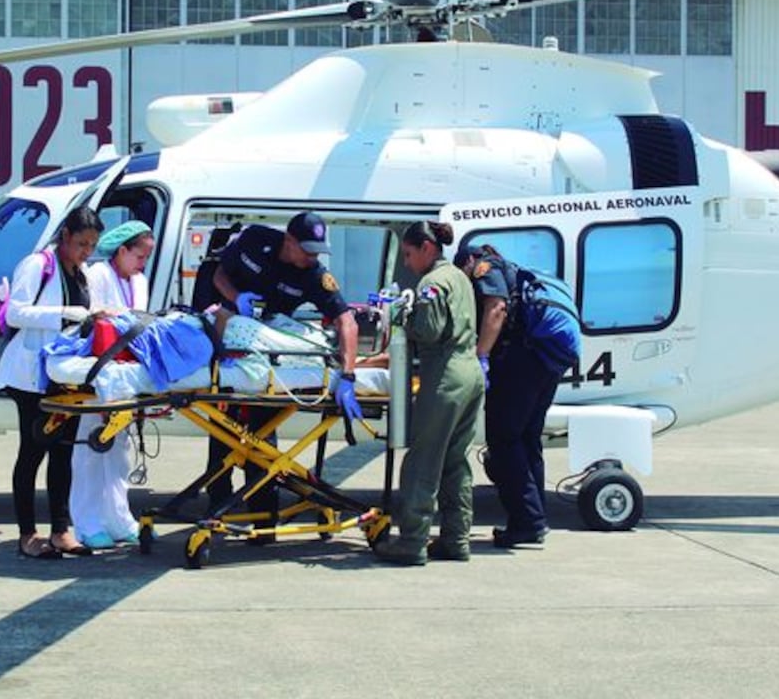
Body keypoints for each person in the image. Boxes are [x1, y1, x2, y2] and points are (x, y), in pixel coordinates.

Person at [197, 211, 362, 537]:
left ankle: (264, 517)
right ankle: (217, 507)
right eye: (308, 250)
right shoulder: (255, 240)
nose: (313, 257)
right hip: (227, 335)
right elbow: (219, 275)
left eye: (318, 251)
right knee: (222, 433)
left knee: (262, 437)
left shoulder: (315, 275)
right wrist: (236, 297)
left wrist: (348, 375)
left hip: (267, 354)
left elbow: (347, 321)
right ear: (289, 241)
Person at [0, 206, 105, 559]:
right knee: (33, 451)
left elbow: (82, 315)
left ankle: (61, 531)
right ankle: (27, 535)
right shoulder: (37, 265)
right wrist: (62, 314)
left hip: (65, 376)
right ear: (66, 236)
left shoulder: (81, 272)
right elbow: (16, 312)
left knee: (63, 452)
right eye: (82, 243)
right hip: (32, 377)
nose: (87, 251)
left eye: (92, 245)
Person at [374, 222, 485, 566]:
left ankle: (412, 542)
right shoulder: (460, 277)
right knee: (456, 461)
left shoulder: (432, 283)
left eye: (408, 254)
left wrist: (399, 317)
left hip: (445, 376)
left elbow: (429, 331)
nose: (407, 263)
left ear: (426, 247)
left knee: (423, 460)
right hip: (471, 373)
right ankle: (456, 539)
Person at [455, 243, 557, 548]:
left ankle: (528, 522)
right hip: (545, 362)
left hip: (519, 364)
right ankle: (534, 519)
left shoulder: (485, 268)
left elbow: (496, 308)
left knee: (504, 440)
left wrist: (481, 355)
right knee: (527, 439)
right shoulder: (514, 270)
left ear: (469, 261)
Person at [69, 220, 155, 548]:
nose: (142, 264)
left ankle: (120, 520)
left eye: (146, 258)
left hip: (127, 371)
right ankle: (87, 524)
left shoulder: (140, 281)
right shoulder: (97, 275)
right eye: (139, 256)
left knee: (120, 452)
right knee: (91, 448)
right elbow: (92, 319)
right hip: (100, 369)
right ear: (121, 251)